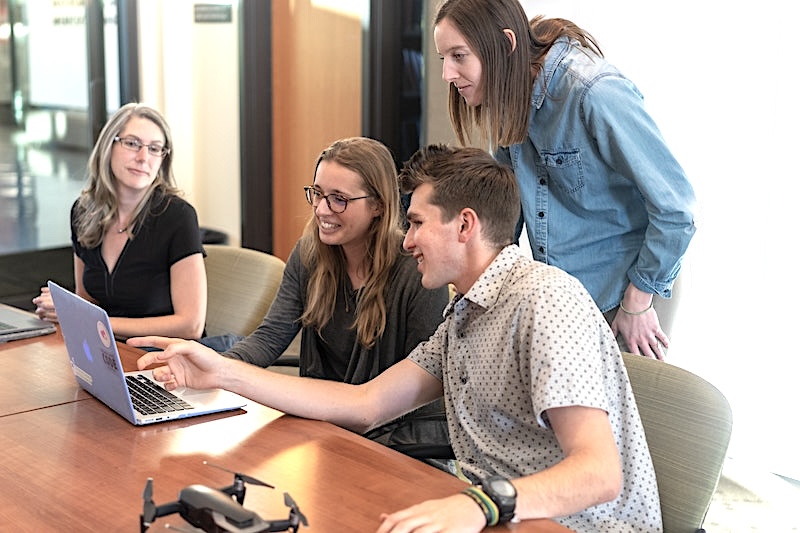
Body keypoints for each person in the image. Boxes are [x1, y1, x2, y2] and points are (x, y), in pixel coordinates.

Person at [131, 144, 662, 532]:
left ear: (465, 225)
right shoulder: (464, 316)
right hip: (499, 510)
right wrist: (221, 370)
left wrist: (478, 504)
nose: (406, 241)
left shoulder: (544, 299)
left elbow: (598, 474)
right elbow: (365, 404)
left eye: (415, 223)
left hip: (568, 522)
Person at [432, 0, 697, 359]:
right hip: (566, 300)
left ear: (507, 44)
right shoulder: (509, 100)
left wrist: (637, 300)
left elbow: (676, 208)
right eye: (443, 58)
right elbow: (505, 213)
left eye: (459, 56)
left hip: (628, 293)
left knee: (621, 413)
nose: (447, 73)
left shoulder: (594, 91)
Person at [192, 137, 450, 450]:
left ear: (378, 205)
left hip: (394, 439)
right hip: (321, 425)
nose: (321, 209)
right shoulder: (309, 254)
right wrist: (214, 366)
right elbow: (270, 337)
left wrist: (225, 373)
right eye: (317, 193)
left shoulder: (415, 271)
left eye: (338, 199)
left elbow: (422, 394)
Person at [32, 102, 206, 340]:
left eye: (155, 148)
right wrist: (63, 307)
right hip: (105, 348)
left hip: (164, 357)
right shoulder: (83, 212)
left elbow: (190, 326)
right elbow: (87, 298)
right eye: (133, 144)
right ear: (108, 147)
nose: (144, 157)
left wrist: (93, 321)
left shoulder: (178, 216)